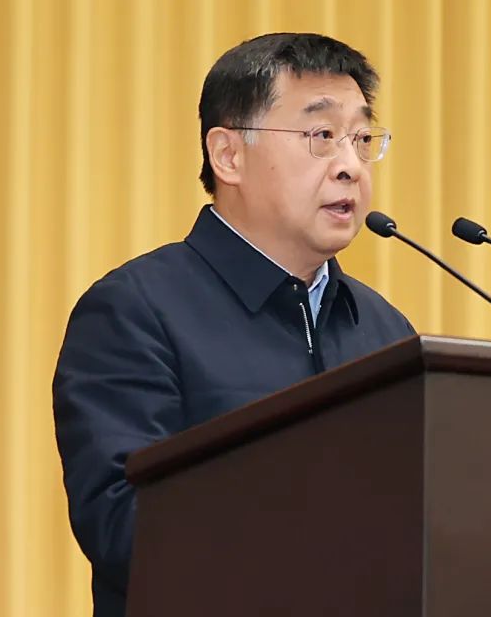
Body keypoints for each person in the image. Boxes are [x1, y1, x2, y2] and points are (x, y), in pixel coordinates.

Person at [52, 32, 416, 617]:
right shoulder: (136, 311)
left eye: (361, 138)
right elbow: (126, 527)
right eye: (322, 136)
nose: (351, 166)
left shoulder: (385, 329)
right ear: (228, 156)